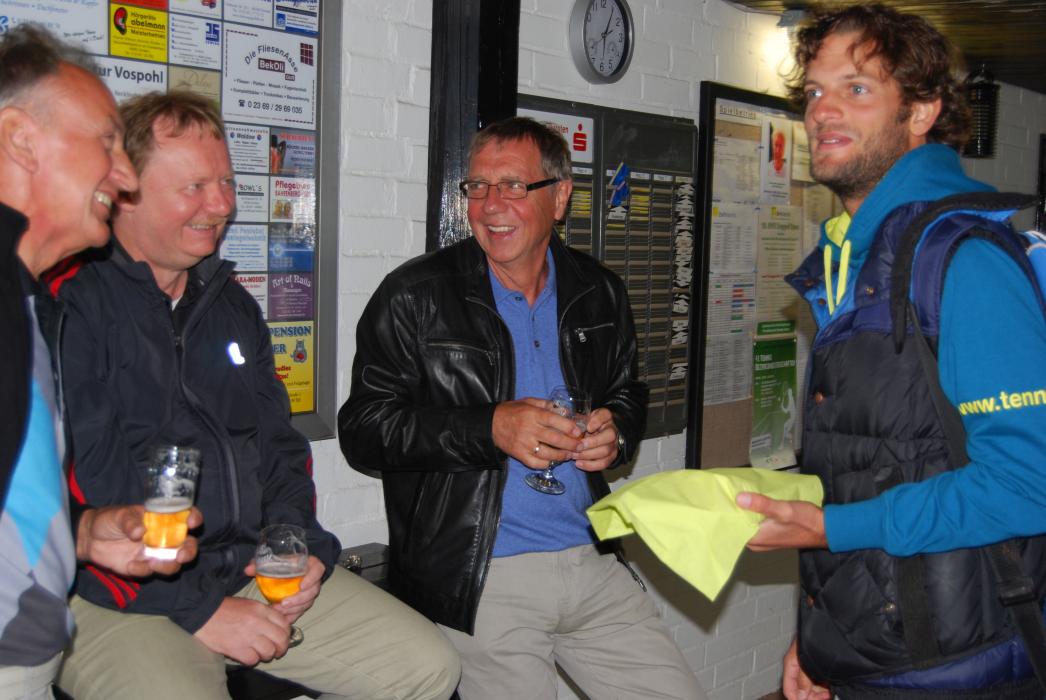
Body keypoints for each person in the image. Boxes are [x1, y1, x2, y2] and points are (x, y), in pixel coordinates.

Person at [54, 91, 459, 700]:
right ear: (124, 191)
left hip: (240, 569)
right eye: (194, 187)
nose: (222, 205)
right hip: (110, 593)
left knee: (429, 666)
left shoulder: (233, 307)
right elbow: (81, 490)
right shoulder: (70, 304)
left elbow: (279, 448)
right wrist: (202, 612)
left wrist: (297, 547)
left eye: (226, 182)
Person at [735, 4, 1046, 699]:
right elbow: (871, 466)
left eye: (857, 88)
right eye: (815, 92)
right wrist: (822, 639)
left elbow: (1030, 484)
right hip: (878, 655)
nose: (823, 111)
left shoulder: (963, 258)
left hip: (963, 669)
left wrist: (831, 527)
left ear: (923, 111)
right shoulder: (857, 260)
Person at [339, 116, 706, 699]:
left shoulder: (599, 291)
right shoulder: (414, 295)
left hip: (592, 559)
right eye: (478, 187)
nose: (490, 205)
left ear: (559, 198)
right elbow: (363, 428)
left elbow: (627, 392)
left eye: (513, 185)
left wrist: (617, 431)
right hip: (482, 577)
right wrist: (488, 427)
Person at [0, 25, 201, 698]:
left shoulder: (27, 297)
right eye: (106, 142)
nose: (124, 175)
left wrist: (83, 534)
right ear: (20, 139)